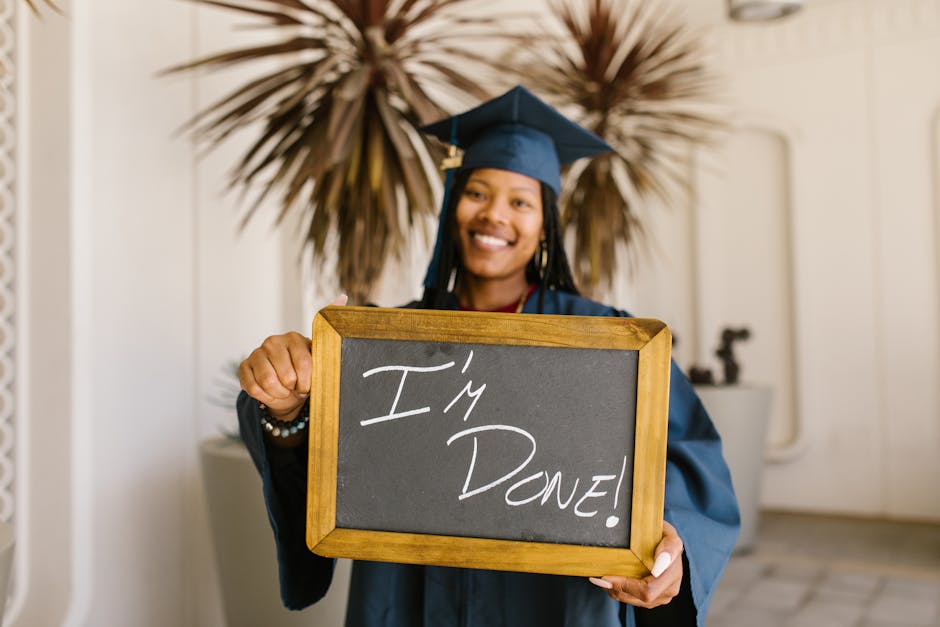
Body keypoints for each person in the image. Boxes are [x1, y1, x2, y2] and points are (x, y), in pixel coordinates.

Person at [237, 85, 739, 627]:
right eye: (477, 193)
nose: (495, 215)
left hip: (560, 604)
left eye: (520, 201)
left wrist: (673, 550)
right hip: (412, 599)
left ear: (546, 223)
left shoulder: (608, 340)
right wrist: (287, 407)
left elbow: (692, 461)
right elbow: (335, 463)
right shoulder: (387, 342)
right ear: (454, 206)